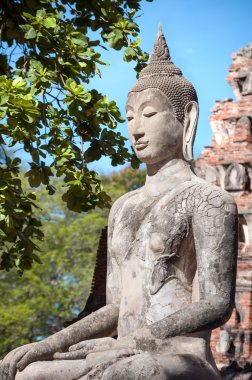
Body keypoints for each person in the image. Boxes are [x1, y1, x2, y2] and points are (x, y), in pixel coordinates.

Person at [0, 25, 238, 380]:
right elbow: (115, 307)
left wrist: (141, 338)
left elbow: (217, 304)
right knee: (29, 373)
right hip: (122, 349)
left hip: (178, 356)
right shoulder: (123, 207)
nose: (136, 129)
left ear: (186, 118)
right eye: (129, 116)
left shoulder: (209, 201)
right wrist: (49, 344)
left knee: (121, 374)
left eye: (149, 114)